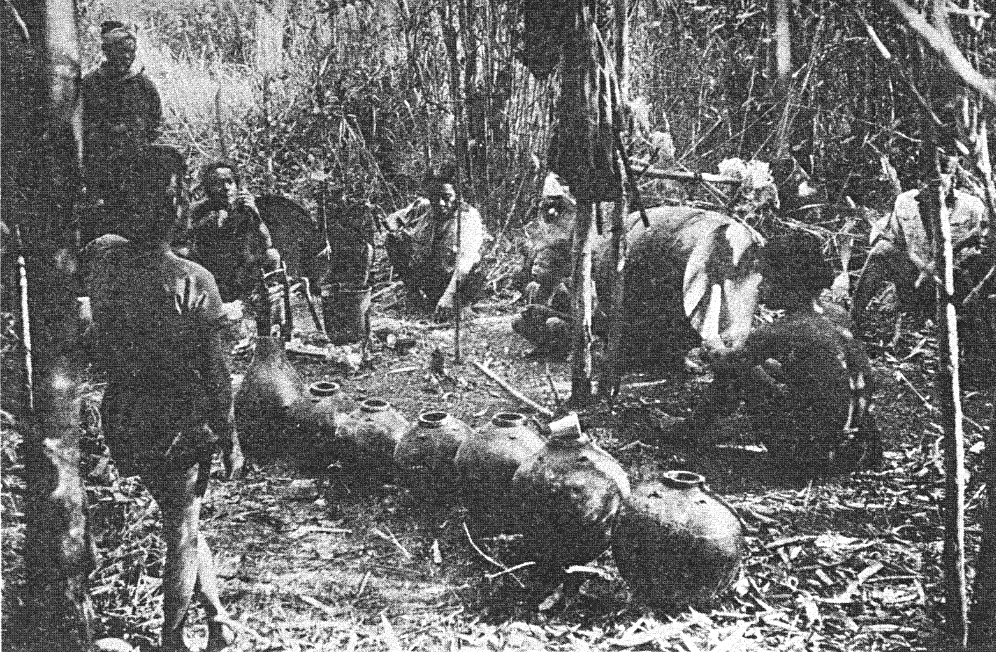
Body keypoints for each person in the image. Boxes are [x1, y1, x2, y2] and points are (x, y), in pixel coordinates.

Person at [84, 145, 244, 652]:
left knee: (184, 516)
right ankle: (173, 637)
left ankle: (217, 617)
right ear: (174, 209)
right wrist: (231, 436)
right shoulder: (195, 281)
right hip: (180, 423)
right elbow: (217, 376)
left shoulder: (103, 264)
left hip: (125, 417)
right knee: (182, 529)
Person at [679, 230, 882, 472]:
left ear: (788, 283)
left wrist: (713, 345)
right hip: (858, 448)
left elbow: (726, 361)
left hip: (813, 456)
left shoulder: (784, 330)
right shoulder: (837, 314)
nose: (760, 287)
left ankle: (690, 432)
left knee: (736, 370)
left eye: (766, 279)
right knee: (764, 367)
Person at [81, 20, 162, 229]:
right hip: (101, 169)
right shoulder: (90, 85)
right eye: (121, 50)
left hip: (136, 167)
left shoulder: (143, 85)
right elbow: (82, 126)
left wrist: (136, 138)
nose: (127, 56)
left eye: (131, 51)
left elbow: (154, 123)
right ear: (106, 51)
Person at [384, 167, 489, 313]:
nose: (440, 203)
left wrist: (448, 297)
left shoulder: (467, 219)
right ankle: (415, 295)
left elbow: (464, 265)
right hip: (432, 274)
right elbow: (393, 219)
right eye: (434, 197)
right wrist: (396, 229)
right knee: (393, 240)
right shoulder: (425, 207)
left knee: (475, 274)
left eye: (446, 197)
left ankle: (459, 306)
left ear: (457, 196)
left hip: (457, 281)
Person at [177, 161, 282, 304]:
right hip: (209, 271)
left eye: (230, 182)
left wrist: (255, 215)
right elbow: (180, 241)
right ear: (209, 187)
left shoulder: (246, 208)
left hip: (240, 272)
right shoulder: (197, 211)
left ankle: (268, 305)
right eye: (218, 183)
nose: (226, 188)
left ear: (237, 185)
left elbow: (267, 244)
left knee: (272, 255)